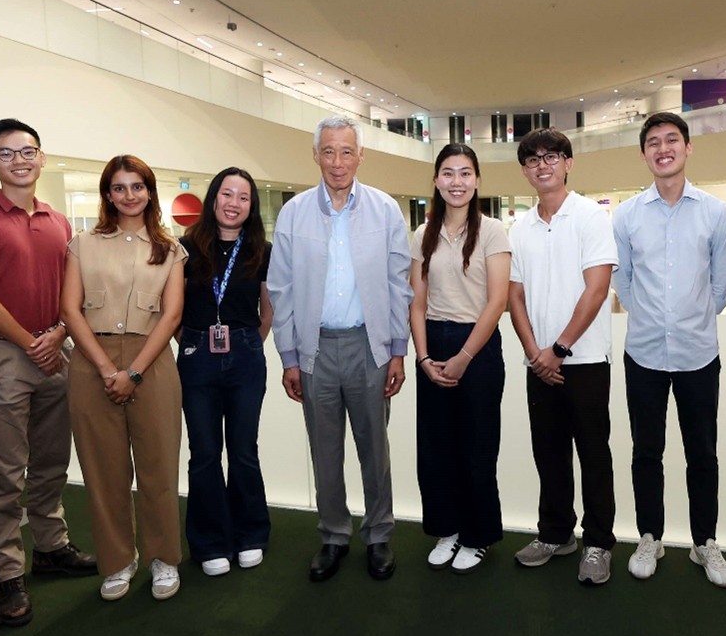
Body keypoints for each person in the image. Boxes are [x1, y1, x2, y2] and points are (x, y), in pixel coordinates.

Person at [0, 118, 95, 629]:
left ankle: (51, 548)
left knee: (52, 463)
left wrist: (59, 334)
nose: (19, 160)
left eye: (28, 151)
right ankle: (8, 575)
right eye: (5, 153)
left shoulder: (58, 221)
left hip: (56, 349)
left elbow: (72, 293)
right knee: (6, 474)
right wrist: (33, 342)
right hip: (4, 357)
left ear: (42, 157)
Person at [267, 115, 411, 583]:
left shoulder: (385, 210)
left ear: (360, 156)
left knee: (375, 449)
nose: (337, 161)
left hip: (370, 347)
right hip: (316, 350)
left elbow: (399, 285)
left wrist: (398, 349)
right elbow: (281, 289)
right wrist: (289, 356)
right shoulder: (293, 214)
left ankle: (379, 534)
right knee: (324, 450)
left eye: (347, 151)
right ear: (316, 155)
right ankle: (332, 535)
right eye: (328, 151)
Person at [613, 112, 726, 584]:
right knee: (646, 451)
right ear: (643, 154)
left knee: (702, 453)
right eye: (653, 142)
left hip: (698, 353)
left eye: (671, 140)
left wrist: (691, 318)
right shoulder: (626, 214)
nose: (662, 149)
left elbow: (722, 282)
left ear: (688, 147)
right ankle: (651, 536)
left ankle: (705, 542)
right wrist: (650, 316)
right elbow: (623, 280)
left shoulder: (715, 212)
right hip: (643, 352)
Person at [61, 155, 186, 602]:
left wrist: (133, 371)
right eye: (119, 187)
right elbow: (69, 310)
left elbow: (172, 315)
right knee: (103, 471)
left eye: (137, 186)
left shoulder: (170, 249)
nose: (129, 195)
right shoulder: (82, 244)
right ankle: (117, 561)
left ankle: (163, 558)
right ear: (107, 195)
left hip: (151, 362)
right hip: (91, 362)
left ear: (150, 192)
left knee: (158, 467)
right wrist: (105, 368)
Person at [508, 128, 619, 586]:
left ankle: (598, 543)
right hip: (539, 363)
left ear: (568, 163)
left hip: (585, 360)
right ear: (525, 170)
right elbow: (514, 296)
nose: (542, 165)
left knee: (593, 454)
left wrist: (559, 349)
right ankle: (556, 533)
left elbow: (597, 290)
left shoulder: (591, 217)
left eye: (551, 156)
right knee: (549, 453)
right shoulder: (520, 227)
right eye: (533, 159)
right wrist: (535, 352)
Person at [409, 144, 511, 573]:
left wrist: (464, 357)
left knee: (477, 447)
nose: (457, 182)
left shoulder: (492, 231)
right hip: (434, 341)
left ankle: (476, 536)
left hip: (478, 346)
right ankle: (447, 530)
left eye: (465, 173)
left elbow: (498, 301)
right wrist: (423, 358)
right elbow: (417, 303)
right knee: (436, 448)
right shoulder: (422, 234)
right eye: (448, 173)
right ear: (436, 180)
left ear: (477, 180)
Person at [179, 167, 273, 577]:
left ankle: (250, 534)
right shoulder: (185, 248)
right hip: (197, 354)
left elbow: (267, 311)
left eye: (243, 197)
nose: (234, 203)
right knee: (204, 453)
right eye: (227, 194)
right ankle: (210, 542)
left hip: (246, 355)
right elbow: (173, 308)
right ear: (213, 198)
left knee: (243, 449)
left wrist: (248, 342)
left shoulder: (261, 250)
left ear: (251, 205)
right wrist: (193, 342)